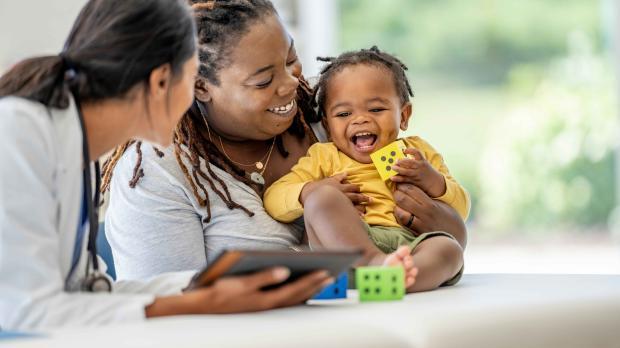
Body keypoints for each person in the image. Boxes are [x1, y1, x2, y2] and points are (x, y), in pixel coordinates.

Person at [0, 0, 332, 331]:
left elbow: (90, 293)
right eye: (192, 79)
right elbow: (24, 313)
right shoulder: (19, 133)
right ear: (162, 81)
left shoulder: (76, 151)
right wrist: (201, 303)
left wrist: (218, 287)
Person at [103, 0, 468, 288]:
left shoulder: (333, 112)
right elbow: (168, 312)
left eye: (291, 59)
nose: (291, 84)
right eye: (263, 81)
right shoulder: (157, 173)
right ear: (200, 86)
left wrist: (440, 215)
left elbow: (450, 231)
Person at [264, 46, 469, 292]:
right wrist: (310, 191)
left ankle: (397, 280)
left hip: (411, 247)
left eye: (376, 109)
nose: (360, 119)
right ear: (328, 126)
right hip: (350, 250)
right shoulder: (325, 156)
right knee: (321, 199)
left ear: (403, 115)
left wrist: (433, 181)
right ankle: (375, 265)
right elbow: (274, 199)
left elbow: (461, 209)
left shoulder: (416, 152)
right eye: (344, 113)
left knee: (449, 249)